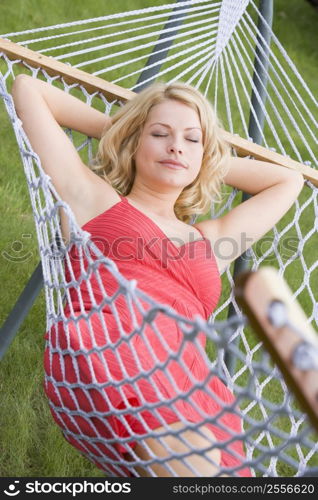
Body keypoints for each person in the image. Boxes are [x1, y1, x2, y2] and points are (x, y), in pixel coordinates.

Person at [12, 75, 304, 477]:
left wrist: (202, 156)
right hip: (115, 358)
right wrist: (124, 129)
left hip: (190, 387)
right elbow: (28, 88)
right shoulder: (94, 201)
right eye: (160, 134)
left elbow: (288, 180)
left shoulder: (211, 240)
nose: (175, 146)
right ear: (134, 143)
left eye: (191, 139)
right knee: (195, 466)